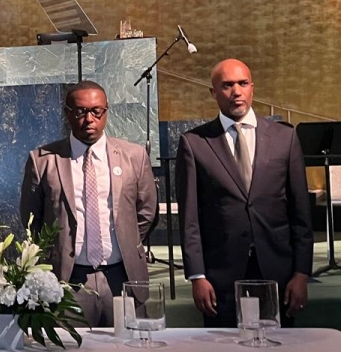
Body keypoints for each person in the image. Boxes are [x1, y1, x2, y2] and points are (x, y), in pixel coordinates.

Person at [176, 59, 313, 328]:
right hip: (221, 276)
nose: (236, 91)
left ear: (252, 87)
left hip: (278, 270)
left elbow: (301, 214)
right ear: (213, 92)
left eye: (242, 83)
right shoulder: (195, 144)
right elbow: (190, 219)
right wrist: (197, 276)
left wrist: (302, 273)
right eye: (227, 85)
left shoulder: (284, 138)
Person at [20, 80, 159, 327]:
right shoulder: (43, 160)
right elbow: (32, 218)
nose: (89, 119)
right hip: (67, 279)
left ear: (106, 111)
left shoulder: (135, 156)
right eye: (80, 111)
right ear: (67, 113)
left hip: (122, 276)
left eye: (97, 111)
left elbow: (147, 212)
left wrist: (128, 240)